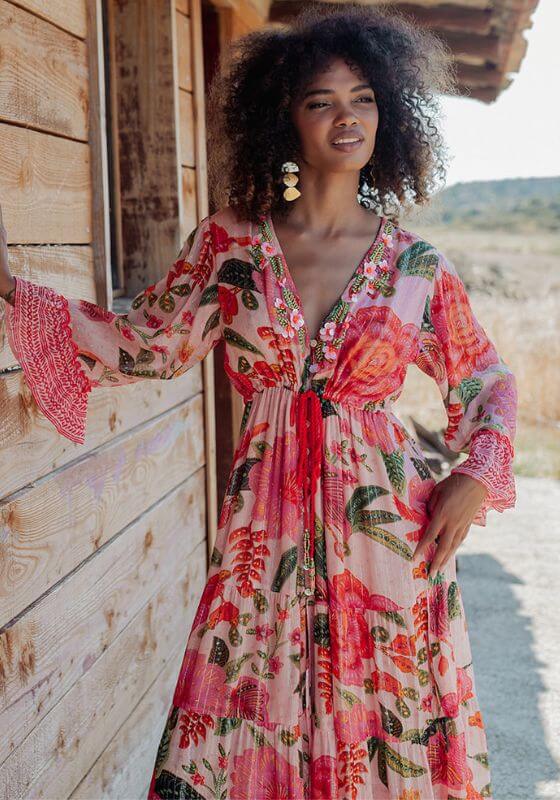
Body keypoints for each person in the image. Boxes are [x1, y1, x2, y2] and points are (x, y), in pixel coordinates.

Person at [0, 4, 517, 798]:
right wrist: (14, 296)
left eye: (364, 98)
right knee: (236, 719)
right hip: (261, 535)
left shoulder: (416, 263)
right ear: (286, 115)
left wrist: (476, 474)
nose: (348, 117)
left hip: (385, 543)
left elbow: (485, 380)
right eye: (322, 100)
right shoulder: (230, 243)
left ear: (390, 110)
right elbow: (148, 341)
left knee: (387, 733)